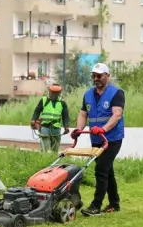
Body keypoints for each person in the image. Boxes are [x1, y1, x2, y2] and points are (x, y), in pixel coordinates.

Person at [71, 63, 125, 216]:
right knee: (108, 172)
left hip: (112, 139)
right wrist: (79, 130)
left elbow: (117, 114)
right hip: (96, 138)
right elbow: (83, 114)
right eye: (93, 76)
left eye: (99, 76)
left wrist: (104, 129)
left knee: (101, 170)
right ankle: (114, 203)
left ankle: (96, 205)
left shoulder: (116, 93)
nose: (96, 79)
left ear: (107, 76)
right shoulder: (88, 95)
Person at [30, 83, 69, 153]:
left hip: (56, 129)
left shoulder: (62, 102)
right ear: (49, 92)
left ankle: (53, 161)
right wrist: (33, 120)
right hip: (45, 127)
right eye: (52, 93)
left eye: (56, 93)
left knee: (55, 150)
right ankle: (45, 160)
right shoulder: (44, 100)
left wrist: (66, 126)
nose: (53, 95)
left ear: (59, 93)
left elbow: (65, 116)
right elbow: (37, 111)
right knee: (45, 150)